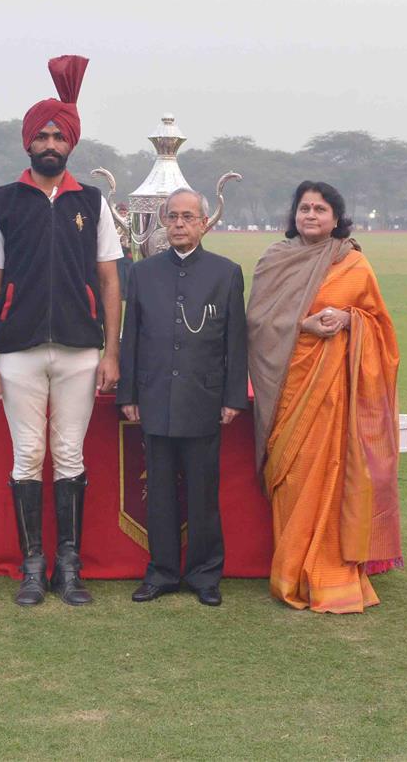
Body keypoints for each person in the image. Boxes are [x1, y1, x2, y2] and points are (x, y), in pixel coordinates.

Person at [0, 55, 123, 606]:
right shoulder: (2, 202)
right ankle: (33, 565)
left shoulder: (92, 202)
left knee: (72, 454)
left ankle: (70, 564)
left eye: (60, 135)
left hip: (82, 350)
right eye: (43, 135)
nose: (51, 143)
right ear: (28, 143)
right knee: (27, 455)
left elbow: (110, 281)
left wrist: (112, 352)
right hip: (18, 350)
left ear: (71, 144)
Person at [248, 181, 401, 613]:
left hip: (336, 397)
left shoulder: (353, 263)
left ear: (337, 218)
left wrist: (352, 320)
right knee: (293, 479)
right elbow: (258, 324)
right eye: (304, 208)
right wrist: (304, 325)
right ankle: (291, 570)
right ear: (294, 215)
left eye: (320, 209)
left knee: (333, 476)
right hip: (288, 391)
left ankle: (329, 570)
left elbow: (382, 329)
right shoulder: (274, 261)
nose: (310, 215)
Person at [117, 187, 248, 607]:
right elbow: (130, 337)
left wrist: (231, 398)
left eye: (187, 217)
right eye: (171, 217)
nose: (178, 224)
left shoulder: (226, 273)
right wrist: (129, 393)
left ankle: (205, 574)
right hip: (154, 397)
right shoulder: (142, 273)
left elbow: (235, 341)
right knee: (158, 491)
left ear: (204, 223)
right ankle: (162, 572)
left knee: (203, 492)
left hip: (204, 398)